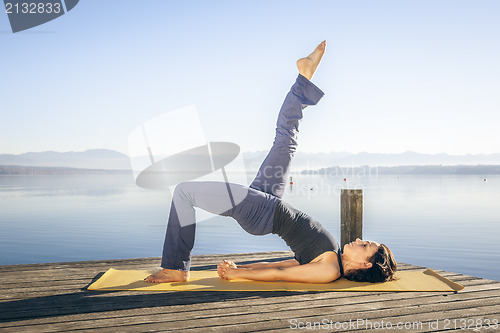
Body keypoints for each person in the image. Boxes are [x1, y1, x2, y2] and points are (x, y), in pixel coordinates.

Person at [145, 41, 397, 284]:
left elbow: (280, 275)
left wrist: (239, 275)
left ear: (365, 264)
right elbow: (282, 266)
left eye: (365, 246)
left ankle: (176, 267)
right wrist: (240, 268)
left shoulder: (328, 271)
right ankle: (304, 80)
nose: (359, 239)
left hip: (262, 213)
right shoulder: (333, 260)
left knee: (183, 192)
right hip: (269, 201)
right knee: (286, 140)